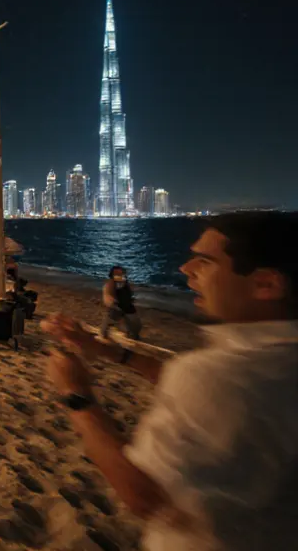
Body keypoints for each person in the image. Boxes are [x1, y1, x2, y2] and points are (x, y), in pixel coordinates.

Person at [42, 212, 298, 550]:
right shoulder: (266, 364)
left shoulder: (213, 373)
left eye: (205, 262)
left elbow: (143, 495)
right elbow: (204, 389)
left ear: (265, 284)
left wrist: (77, 395)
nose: (185, 268)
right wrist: (104, 350)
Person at [99, 265, 142, 340]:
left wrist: (131, 298)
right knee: (109, 320)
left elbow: (130, 293)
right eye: (117, 274)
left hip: (127, 306)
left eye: (121, 274)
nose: (120, 276)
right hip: (116, 306)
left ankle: (133, 336)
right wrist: (112, 303)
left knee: (136, 325)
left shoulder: (125, 283)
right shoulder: (109, 285)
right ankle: (103, 335)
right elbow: (107, 295)